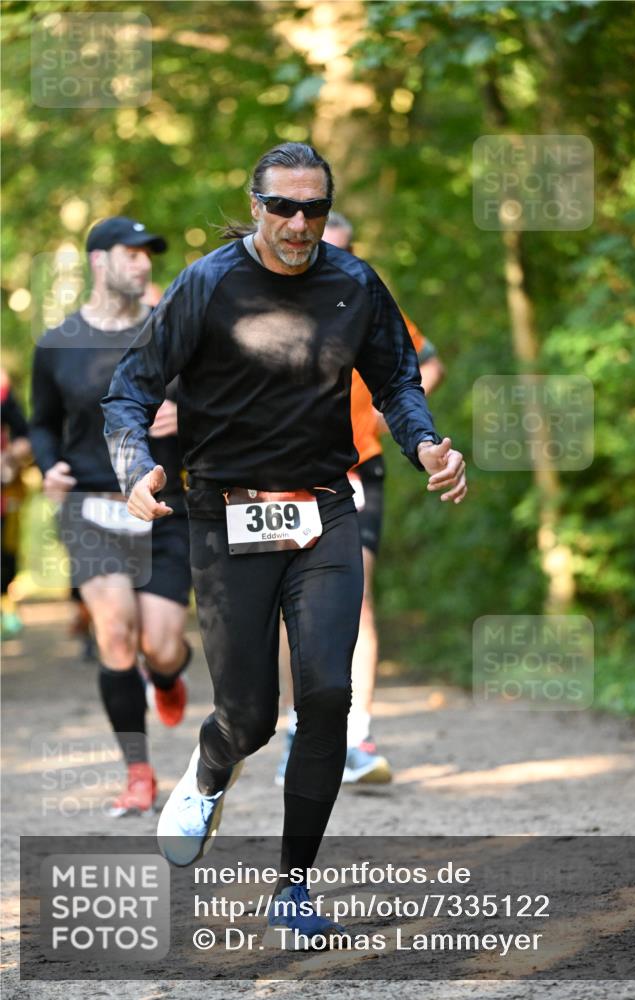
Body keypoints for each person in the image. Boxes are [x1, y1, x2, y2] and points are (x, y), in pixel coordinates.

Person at [102, 143, 467, 948]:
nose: (298, 224)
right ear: (256, 204)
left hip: (325, 507)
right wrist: (134, 468)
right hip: (223, 513)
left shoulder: (355, 284)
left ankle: (293, 889)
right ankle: (210, 765)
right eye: (282, 208)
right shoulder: (206, 284)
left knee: (327, 696)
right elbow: (130, 389)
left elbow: (400, 381)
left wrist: (427, 445)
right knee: (248, 715)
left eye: (311, 208)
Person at [275, 212, 445, 785]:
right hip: (288, 471)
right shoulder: (269, 299)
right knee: (290, 603)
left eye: (344, 249)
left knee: (360, 596)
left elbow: (425, 362)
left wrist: (386, 408)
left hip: (359, 465)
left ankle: (358, 732)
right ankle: (298, 727)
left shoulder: (364, 295)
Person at [30, 216, 192, 816]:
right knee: (116, 631)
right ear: (99, 261)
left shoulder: (171, 332)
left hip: (164, 508)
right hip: (91, 507)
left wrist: (186, 413)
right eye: (130, 253)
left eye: (149, 254)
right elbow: (43, 422)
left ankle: (171, 677)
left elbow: (220, 398)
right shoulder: (57, 344)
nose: (143, 263)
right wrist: (50, 465)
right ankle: (139, 774)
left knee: (161, 644)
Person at [1, 368, 32, 640]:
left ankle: (6, 609)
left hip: (3, 491)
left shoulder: (3, 390)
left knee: (4, 554)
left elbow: (25, 435)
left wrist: (8, 457)